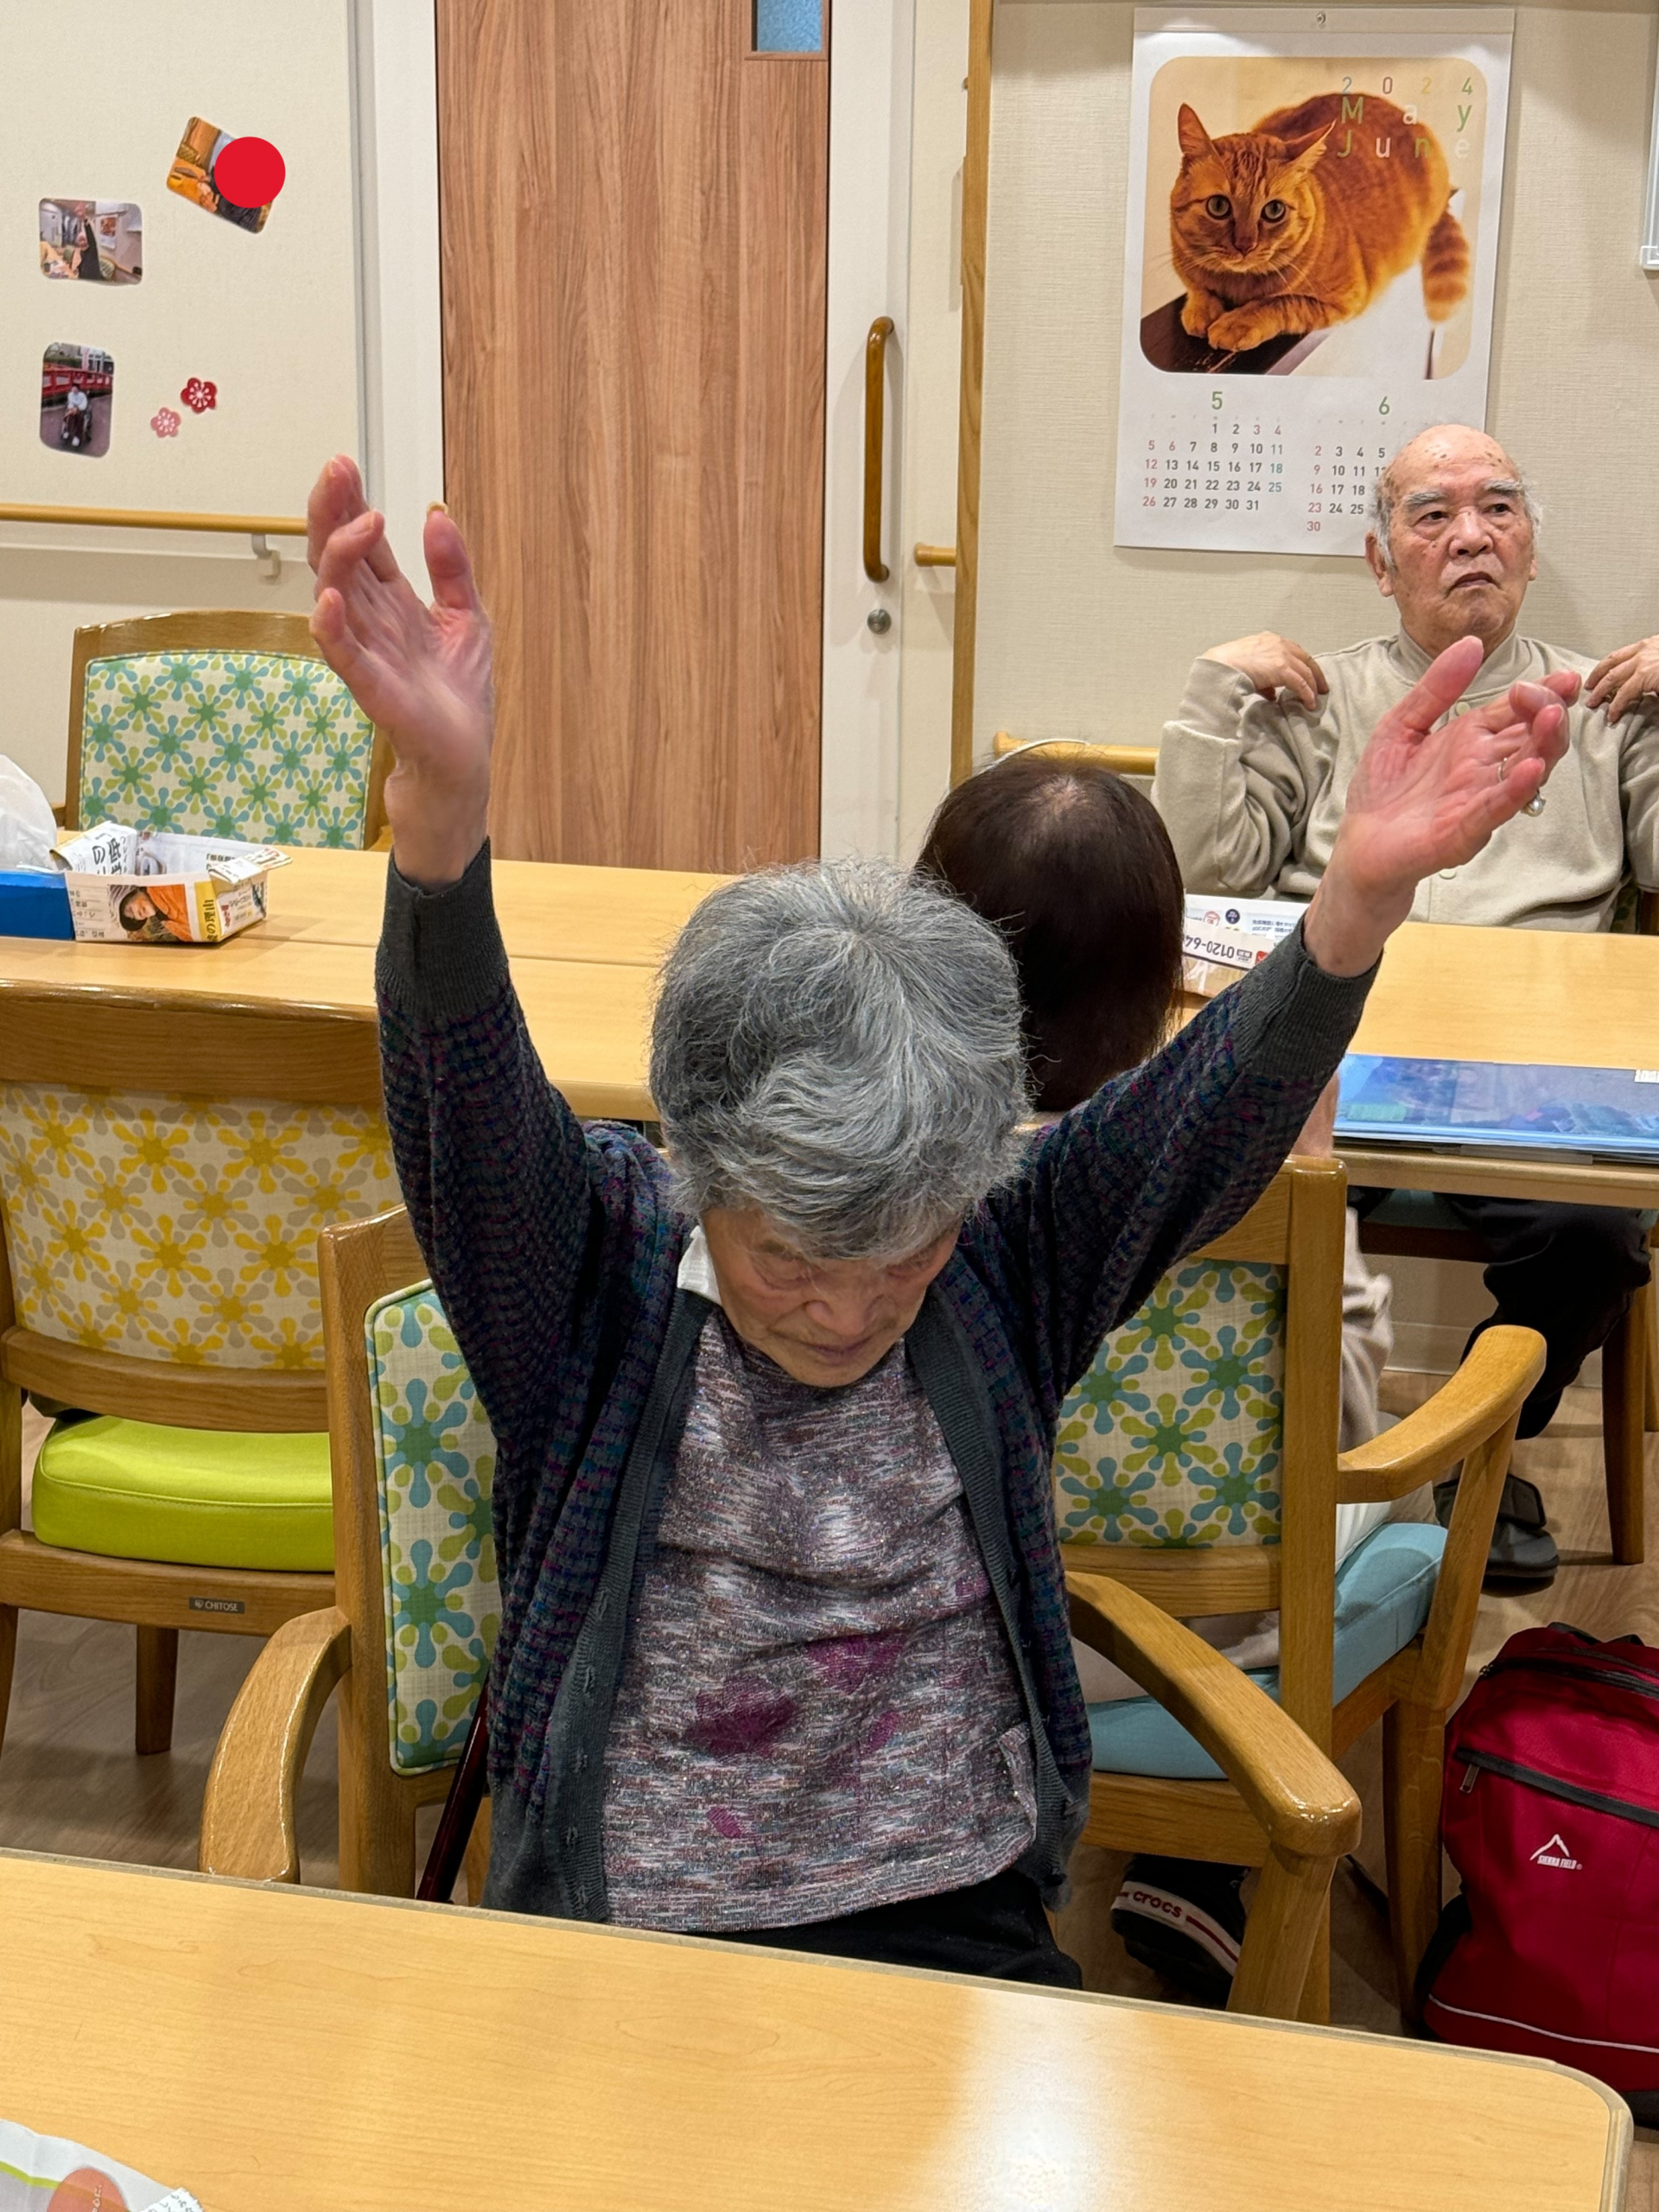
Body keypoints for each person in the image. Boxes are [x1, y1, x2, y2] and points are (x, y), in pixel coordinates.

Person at [304, 451, 1564, 1990]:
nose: (851, 1311)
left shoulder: (1007, 1264)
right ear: (697, 1170)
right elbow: (467, 1100)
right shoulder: (593, 1278)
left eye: (907, 1253)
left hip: (961, 1919)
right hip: (635, 1932)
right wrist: (441, 825)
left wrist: (1355, 904)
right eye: (790, 1261)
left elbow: (1196, 1127)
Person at [915, 747, 1400, 2001]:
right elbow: (1339, 1424)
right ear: (1159, 976)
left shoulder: (882, 1168)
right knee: (1398, 1480)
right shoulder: (1231, 1165)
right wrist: (1320, 1183)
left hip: (969, 1621)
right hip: (1213, 1637)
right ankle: (1212, 1857)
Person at [1154, 423, 1659, 1586]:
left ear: (1530, 545)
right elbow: (1202, 882)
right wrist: (1215, 691)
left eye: (1498, 507)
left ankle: (1468, 1454)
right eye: (1433, 515)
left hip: (1535, 1067)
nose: (1471, 535)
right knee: (1220, 1193)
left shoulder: (1604, 704)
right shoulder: (1321, 697)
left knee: (1592, 1238)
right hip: (1334, 1047)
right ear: (1382, 563)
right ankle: (1272, 1460)